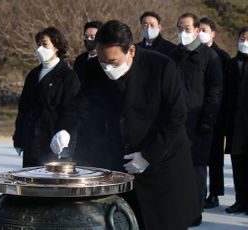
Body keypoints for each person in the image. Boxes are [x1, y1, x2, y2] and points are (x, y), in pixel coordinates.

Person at [50, 20, 199, 230]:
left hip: (162, 168)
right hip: (120, 168)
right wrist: (65, 128)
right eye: (102, 61)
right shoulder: (95, 68)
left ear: (131, 50)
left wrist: (149, 155)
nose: (107, 67)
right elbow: (81, 103)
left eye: (113, 62)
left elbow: (176, 116)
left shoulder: (161, 67)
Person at [170, 12, 223, 226]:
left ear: (198, 30)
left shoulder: (210, 57)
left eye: (188, 29)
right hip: (174, 122)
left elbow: (215, 92)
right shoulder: (174, 55)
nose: (183, 33)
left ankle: (195, 211)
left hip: (198, 122)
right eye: (180, 28)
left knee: (196, 169)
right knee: (175, 168)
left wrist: (207, 121)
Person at [13, 27, 80, 167]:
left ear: (56, 47)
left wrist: (65, 133)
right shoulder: (33, 74)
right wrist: (18, 138)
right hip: (31, 139)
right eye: (38, 44)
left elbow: (72, 110)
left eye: (44, 44)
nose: (40, 48)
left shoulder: (67, 76)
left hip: (54, 141)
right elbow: (23, 108)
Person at [199, 17, 231, 209]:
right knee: (198, 158)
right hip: (196, 113)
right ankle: (199, 191)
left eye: (205, 29)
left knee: (215, 159)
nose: (201, 32)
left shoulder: (222, 56)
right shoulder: (191, 52)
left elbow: (225, 89)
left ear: (213, 33)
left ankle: (215, 193)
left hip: (217, 115)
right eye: (199, 29)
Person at [225, 26, 248, 214]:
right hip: (234, 123)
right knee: (237, 164)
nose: (244, 41)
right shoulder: (231, 64)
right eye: (242, 37)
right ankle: (240, 200)